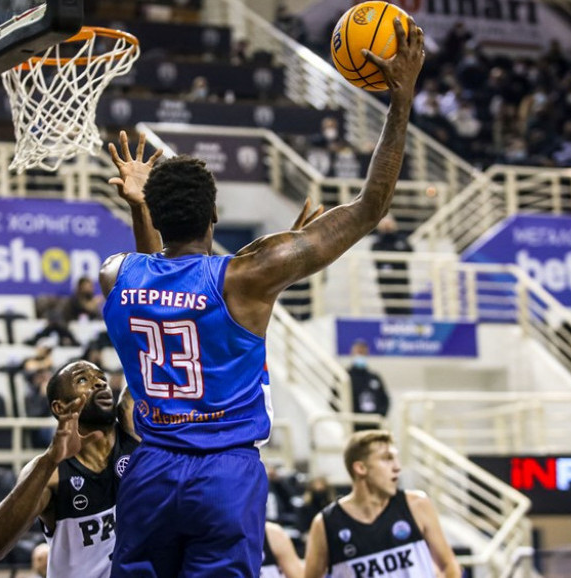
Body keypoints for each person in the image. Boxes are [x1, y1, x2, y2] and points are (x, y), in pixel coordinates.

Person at [100, 18, 424, 576]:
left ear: (159, 216)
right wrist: (400, 101)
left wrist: (138, 207)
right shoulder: (246, 276)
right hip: (223, 474)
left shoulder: (116, 274)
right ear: (215, 215)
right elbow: (372, 206)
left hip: (148, 470)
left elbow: (152, 268)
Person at [0, 360, 139, 578]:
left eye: (101, 377)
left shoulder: (132, 429)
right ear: (60, 407)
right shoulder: (50, 471)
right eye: (83, 379)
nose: (100, 383)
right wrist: (50, 459)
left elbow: (144, 360)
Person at [303, 430, 461, 578]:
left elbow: (449, 564)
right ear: (361, 468)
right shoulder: (326, 524)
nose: (397, 467)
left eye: (396, 458)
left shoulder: (417, 505)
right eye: (387, 458)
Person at [371, 216, 413, 316]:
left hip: (401, 280)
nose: (387, 225)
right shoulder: (378, 241)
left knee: (405, 309)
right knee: (390, 309)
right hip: (386, 282)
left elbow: (410, 250)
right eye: (385, 223)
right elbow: (377, 258)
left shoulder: (400, 238)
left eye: (389, 223)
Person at [348, 340, 390, 427]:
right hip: (353, 425)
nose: (360, 355)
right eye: (358, 352)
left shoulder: (374, 377)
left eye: (363, 353)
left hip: (374, 425)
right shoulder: (345, 377)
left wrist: (379, 416)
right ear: (352, 353)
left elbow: (385, 400)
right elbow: (334, 401)